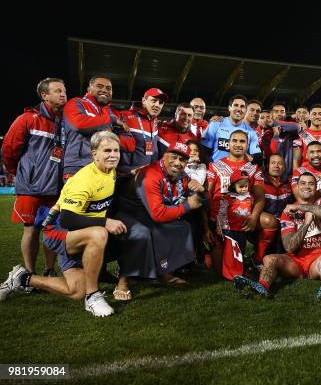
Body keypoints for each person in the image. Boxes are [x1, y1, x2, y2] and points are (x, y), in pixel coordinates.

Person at [0, 131, 127, 317]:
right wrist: (105, 221)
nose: (113, 154)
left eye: (116, 150)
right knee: (100, 233)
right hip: (60, 231)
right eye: (107, 150)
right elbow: (68, 219)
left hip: (80, 234)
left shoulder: (111, 171)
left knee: (76, 290)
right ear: (94, 154)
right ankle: (93, 296)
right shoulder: (84, 179)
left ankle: (22, 278)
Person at [112, 141, 206, 299]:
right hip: (128, 213)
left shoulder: (182, 175)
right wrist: (187, 206)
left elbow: (200, 200)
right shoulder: (151, 174)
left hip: (147, 214)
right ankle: (123, 280)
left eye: (182, 160)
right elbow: (159, 214)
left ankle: (164, 271)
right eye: (174, 157)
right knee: (141, 233)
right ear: (165, 156)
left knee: (181, 227)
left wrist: (201, 190)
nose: (177, 162)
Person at [232, 172, 321, 301]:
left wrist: (301, 207)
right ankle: (261, 288)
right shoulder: (288, 212)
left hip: (318, 259)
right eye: (303, 183)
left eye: (311, 184)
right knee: (269, 258)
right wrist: (306, 223)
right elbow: (290, 247)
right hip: (296, 261)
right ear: (297, 187)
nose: (306, 186)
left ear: (316, 187)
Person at [2, 78, 66, 276]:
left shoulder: (67, 121)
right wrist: (22, 173)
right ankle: (29, 274)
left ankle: (49, 271)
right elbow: (9, 150)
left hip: (57, 187)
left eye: (64, 90)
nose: (63, 94)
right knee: (31, 229)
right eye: (57, 91)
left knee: (53, 229)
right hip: (32, 186)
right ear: (44, 95)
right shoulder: (27, 119)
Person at [206, 130, 277, 274]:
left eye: (242, 141)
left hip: (244, 217)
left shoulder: (253, 169)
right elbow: (206, 197)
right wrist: (206, 227)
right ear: (228, 144)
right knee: (219, 270)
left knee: (270, 221)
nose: (238, 144)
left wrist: (253, 217)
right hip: (221, 221)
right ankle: (208, 255)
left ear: (248, 145)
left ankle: (258, 257)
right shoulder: (214, 166)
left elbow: (260, 197)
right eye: (235, 141)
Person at [62, 76, 126, 177]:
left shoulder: (107, 112)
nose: (104, 90)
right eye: (99, 86)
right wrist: (111, 119)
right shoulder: (76, 102)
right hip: (79, 165)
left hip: (103, 167)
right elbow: (79, 124)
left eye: (108, 88)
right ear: (89, 89)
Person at [117, 88, 168, 175]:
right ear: (144, 100)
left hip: (149, 174)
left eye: (161, 103)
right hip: (128, 175)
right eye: (154, 100)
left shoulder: (155, 121)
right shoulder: (124, 116)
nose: (157, 105)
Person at [201, 94, 262, 164]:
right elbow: (204, 150)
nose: (239, 109)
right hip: (216, 171)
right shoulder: (215, 124)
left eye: (242, 106)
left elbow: (257, 157)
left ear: (245, 110)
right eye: (236, 105)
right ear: (229, 108)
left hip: (238, 172)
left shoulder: (251, 132)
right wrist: (211, 167)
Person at [217, 171, 254, 280]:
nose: (244, 189)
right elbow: (221, 213)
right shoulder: (228, 197)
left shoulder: (250, 197)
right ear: (233, 185)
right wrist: (219, 226)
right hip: (229, 229)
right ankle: (229, 272)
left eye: (246, 186)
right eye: (241, 186)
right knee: (230, 252)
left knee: (241, 250)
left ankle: (239, 271)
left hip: (242, 229)